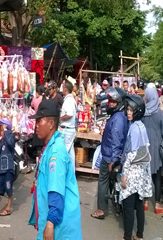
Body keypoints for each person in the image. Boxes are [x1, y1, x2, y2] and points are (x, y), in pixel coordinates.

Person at [28, 100, 82, 240]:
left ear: (51, 124)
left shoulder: (55, 153)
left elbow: (56, 191)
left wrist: (50, 223)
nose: (36, 126)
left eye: (40, 121)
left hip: (60, 228)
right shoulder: (50, 146)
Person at [91, 87, 129, 219]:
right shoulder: (118, 116)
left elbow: (116, 141)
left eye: (113, 101)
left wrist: (113, 160)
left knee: (102, 181)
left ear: (119, 103)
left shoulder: (118, 118)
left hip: (110, 156)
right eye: (110, 101)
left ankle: (101, 209)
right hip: (112, 154)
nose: (110, 103)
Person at [120, 95, 153, 240]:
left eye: (131, 110)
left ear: (137, 111)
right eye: (127, 109)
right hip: (141, 172)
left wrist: (124, 175)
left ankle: (127, 237)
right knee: (139, 205)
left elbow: (131, 154)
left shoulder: (133, 128)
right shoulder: (142, 126)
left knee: (128, 207)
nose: (128, 112)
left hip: (132, 171)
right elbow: (146, 148)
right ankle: (139, 235)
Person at [142, 87, 163, 214]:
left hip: (145, 145)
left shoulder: (143, 112)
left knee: (146, 174)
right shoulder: (160, 113)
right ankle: (157, 205)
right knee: (157, 176)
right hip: (156, 146)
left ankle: (145, 202)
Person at [59, 80, 77, 169]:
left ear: (65, 88)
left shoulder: (69, 100)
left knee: (64, 152)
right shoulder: (68, 99)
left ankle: (63, 172)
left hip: (67, 129)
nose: (61, 88)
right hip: (69, 129)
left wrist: (60, 118)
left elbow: (69, 114)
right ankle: (71, 173)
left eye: (62, 87)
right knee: (70, 154)